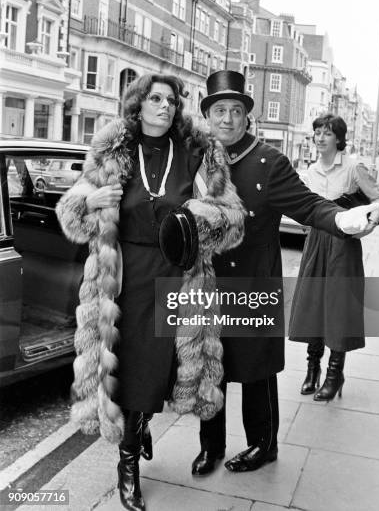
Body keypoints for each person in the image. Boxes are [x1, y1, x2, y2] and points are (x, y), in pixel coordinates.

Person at [56, 73, 245, 511]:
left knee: (162, 366)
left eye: (172, 100)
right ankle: (127, 465)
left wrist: (201, 217)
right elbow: (73, 211)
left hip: (180, 273)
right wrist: (92, 201)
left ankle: (138, 426)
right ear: (137, 104)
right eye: (155, 98)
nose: (165, 106)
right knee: (132, 366)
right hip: (125, 275)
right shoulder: (113, 150)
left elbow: (232, 218)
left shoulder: (199, 152)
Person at [191, 70, 379, 476]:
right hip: (207, 283)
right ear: (208, 115)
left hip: (254, 280)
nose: (227, 119)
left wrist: (346, 219)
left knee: (256, 369)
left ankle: (264, 445)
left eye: (235, 110)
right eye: (219, 110)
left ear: (247, 116)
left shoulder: (268, 162)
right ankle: (212, 446)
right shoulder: (197, 159)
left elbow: (311, 206)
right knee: (211, 363)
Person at [289, 114, 379, 401]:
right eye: (317, 133)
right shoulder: (310, 171)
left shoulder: (354, 167)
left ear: (338, 138)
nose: (320, 138)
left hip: (343, 246)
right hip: (316, 242)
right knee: (313, 304)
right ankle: (312, 370)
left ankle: (334, 374)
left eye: (327, 133)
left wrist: (366, 228)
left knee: (338, 307)